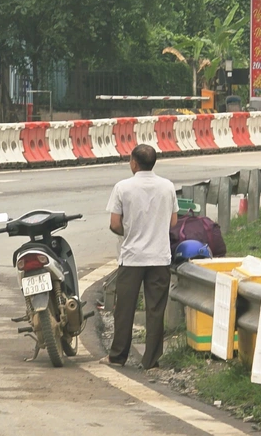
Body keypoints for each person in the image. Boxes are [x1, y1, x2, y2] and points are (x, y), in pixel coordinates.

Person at [103, 144, 178, 370]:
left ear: (134, 163)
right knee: (155, 310)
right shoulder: (168, 187)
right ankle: (151, 360)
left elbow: (115, 223)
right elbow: (173, 223)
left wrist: (130, 233)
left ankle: (118, 356)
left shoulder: (122, 187)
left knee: (124, 309)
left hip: (132, 258)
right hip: (160, 257)